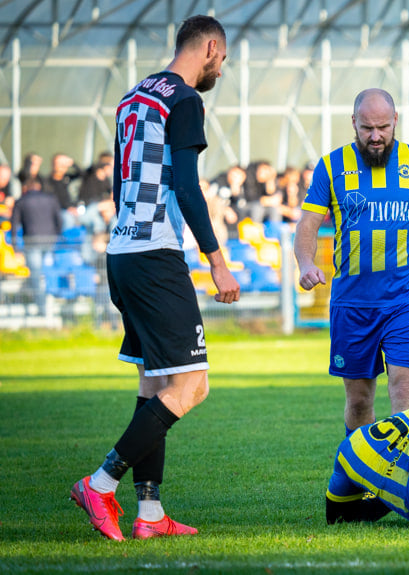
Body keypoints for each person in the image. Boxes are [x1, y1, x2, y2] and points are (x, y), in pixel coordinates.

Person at [70, 14, 240, 541]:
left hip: (123, 250)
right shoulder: (185, 99)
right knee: (193, 385)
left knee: (156, 383)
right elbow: (187, 187)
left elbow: (127, 184)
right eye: (224, 59)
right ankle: (99, 484)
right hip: (152, 253)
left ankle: (148, 514)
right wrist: (216, 259)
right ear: (211, 48)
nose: (221, 69)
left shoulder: (132, 97)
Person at [294, 88, 409, 433]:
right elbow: (308, 223)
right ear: (353, 123)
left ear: (395, 121)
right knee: (359, 401)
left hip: (406, 298)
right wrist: (306, 263)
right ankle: (360, 478)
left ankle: (403, 479)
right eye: (367, 128)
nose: (375, 136)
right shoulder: (330, 167)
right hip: (353, 302)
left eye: (383, 127)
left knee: (404, 389)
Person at [10, 178, 62, 311]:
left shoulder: (21, 201)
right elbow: (59, 221)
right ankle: (52, 304)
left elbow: (14, 226)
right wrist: (56, 236)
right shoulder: (51, 199)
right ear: (39, 186)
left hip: (32, 242)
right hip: (50, 241)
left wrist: (16, 248)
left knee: (36, 274)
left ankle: (42, 308)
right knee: (48, 272)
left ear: (25, 188)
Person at [42, 153, 81, 230]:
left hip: (72, 209)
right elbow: (52, 201)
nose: (61, 167)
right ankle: (64, 241)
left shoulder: (67, 179)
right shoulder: (47, 182)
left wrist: (72, 163)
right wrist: (68, 208)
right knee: (68, 219)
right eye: (58, 164)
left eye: (63, 165)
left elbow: (81, 174)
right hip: (59, 211)